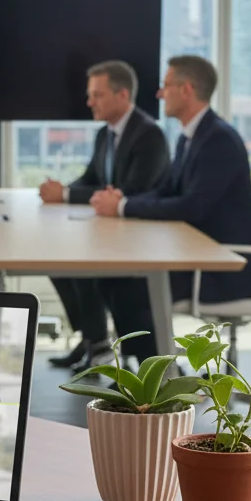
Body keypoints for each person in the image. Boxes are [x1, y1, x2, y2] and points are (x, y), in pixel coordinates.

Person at [90, 55, 251, 364]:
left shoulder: (218, 140)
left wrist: (123, 207)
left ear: (186, 90)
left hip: (227, 268)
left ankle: (159, 381)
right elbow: (167, 191)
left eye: (166, 85)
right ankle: (142, 374)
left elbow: (192, 207)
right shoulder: (192, 137)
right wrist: (123, 201)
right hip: (202, 255)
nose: (160, 93)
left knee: (131, 286)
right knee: (113, 278)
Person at [39, 61, 170, 371]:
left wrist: (67, 195)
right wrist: (63, 190)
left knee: (94, 273)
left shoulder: (149, 135)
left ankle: (134, 366)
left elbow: (129, 191)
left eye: (97, 95)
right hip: (112, 231)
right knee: (60, 263)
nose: (89, 102)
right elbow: (91, 179)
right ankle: (94, 340)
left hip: (142, 238)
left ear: (123, 94)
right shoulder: (105, 135)